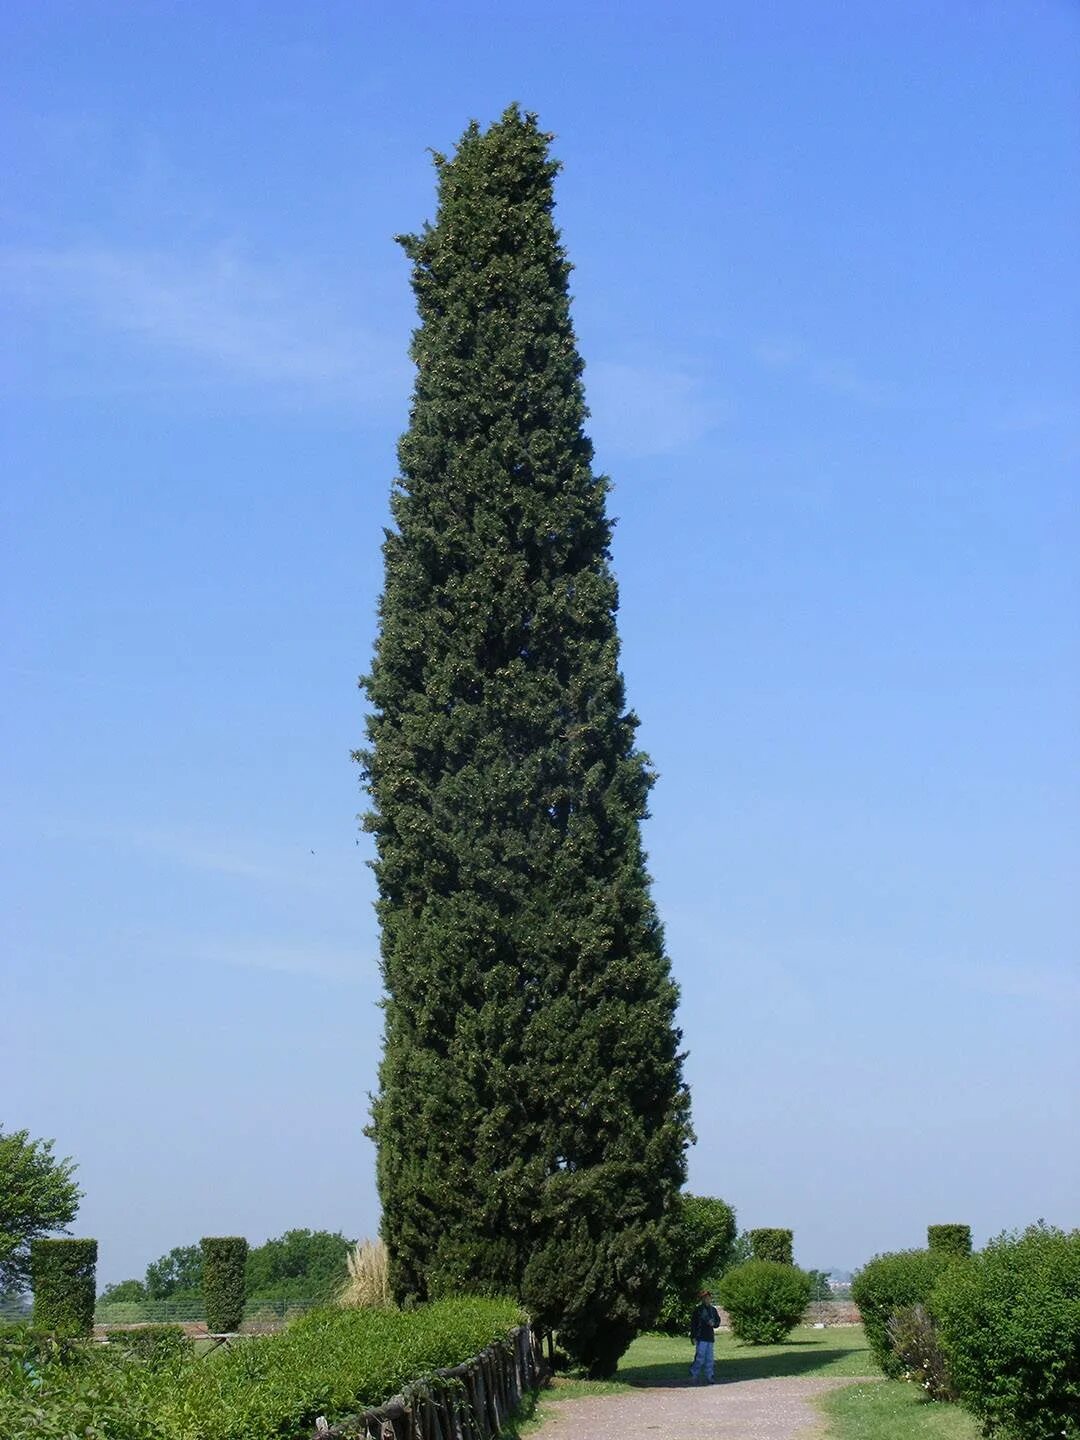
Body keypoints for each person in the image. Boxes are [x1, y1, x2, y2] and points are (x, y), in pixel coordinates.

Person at [689, 1289, 721, 1383]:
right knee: (700, 1357)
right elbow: (693, 1324)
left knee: (710, 1358)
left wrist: (714, 1323)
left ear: (710, 1299)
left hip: (710, 1337)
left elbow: (717, 1322)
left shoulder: (713, 1310)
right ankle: (694, 1374)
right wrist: (693, 1336)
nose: (706, 1299)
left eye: (708, 1298)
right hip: (700, 1337)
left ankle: (709, 1376)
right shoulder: (698, 1310)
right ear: (702, 1299)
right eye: (704, 1298)